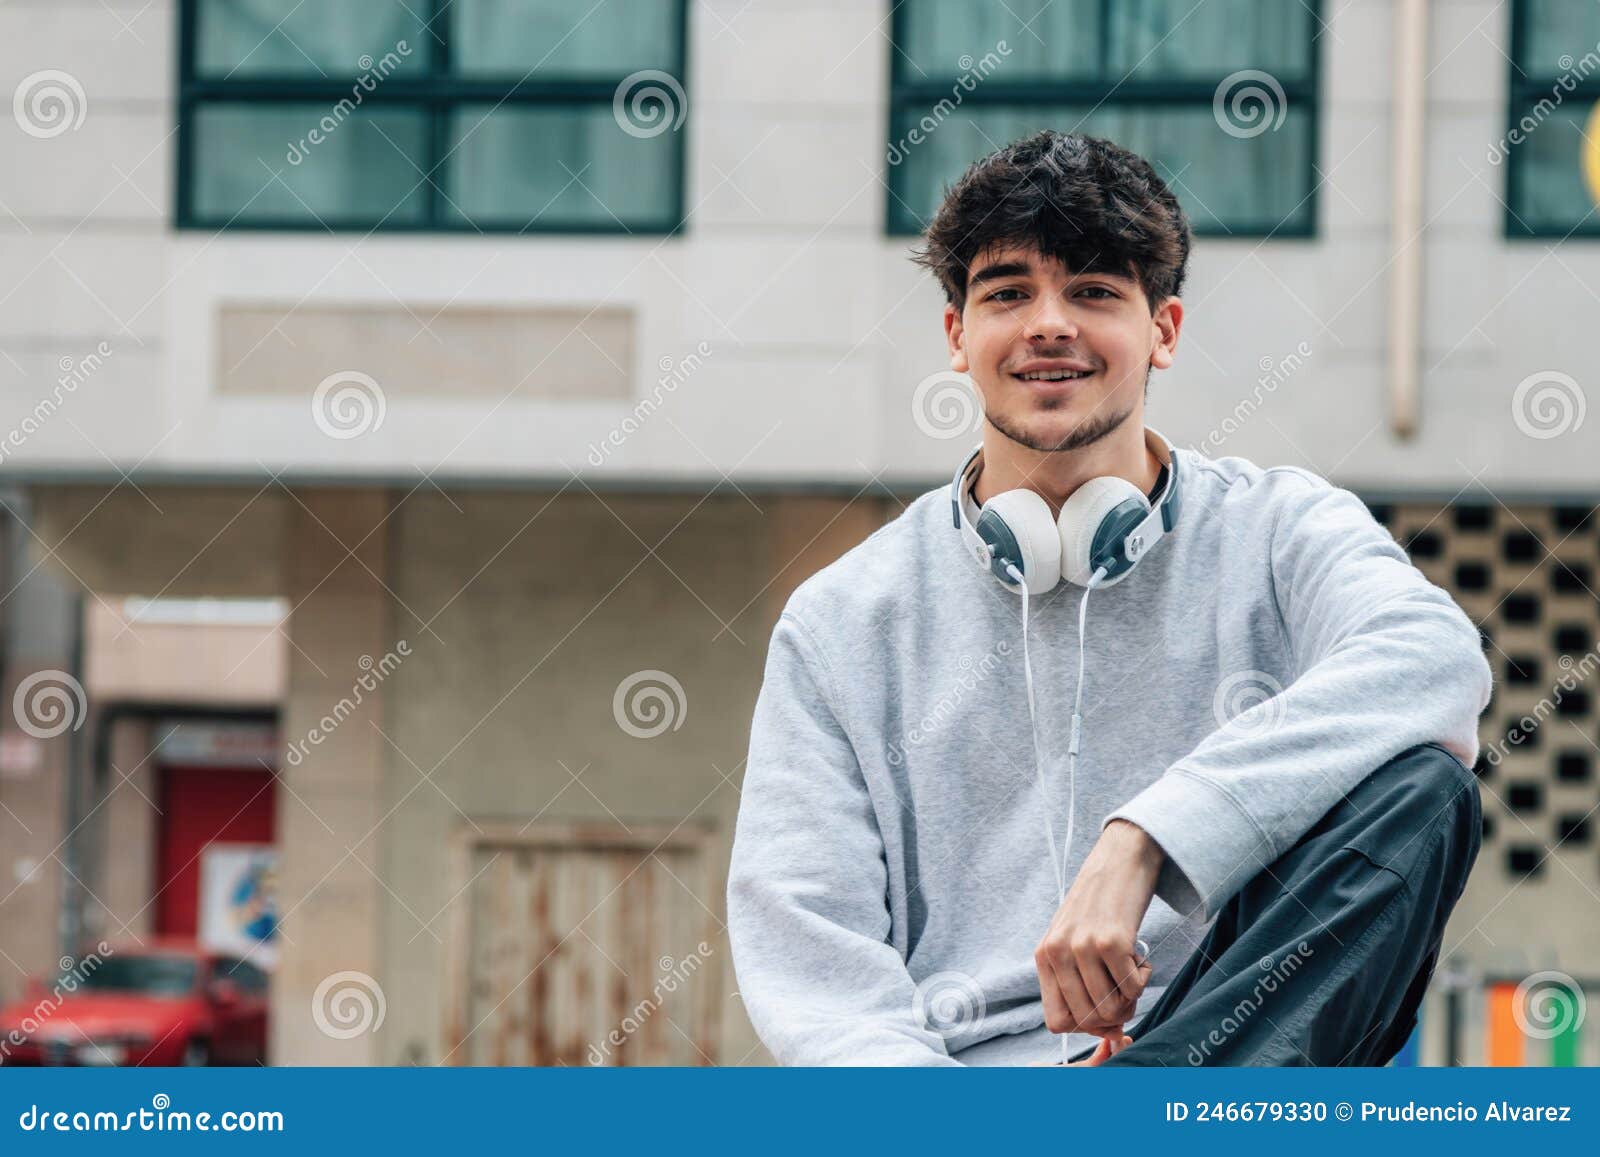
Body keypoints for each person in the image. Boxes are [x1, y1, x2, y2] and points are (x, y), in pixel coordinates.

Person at [724, 131, 1492, 1067]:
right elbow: (814, 956)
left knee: (1422, 788)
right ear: (957, 334)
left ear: (1162, 330)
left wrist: (1147, 837)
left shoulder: (1280, 526)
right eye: (1008, 293)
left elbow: (1435, 658)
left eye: (1093, 291)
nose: (1050, 324)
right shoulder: (843, 618)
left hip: (1232, 1058)